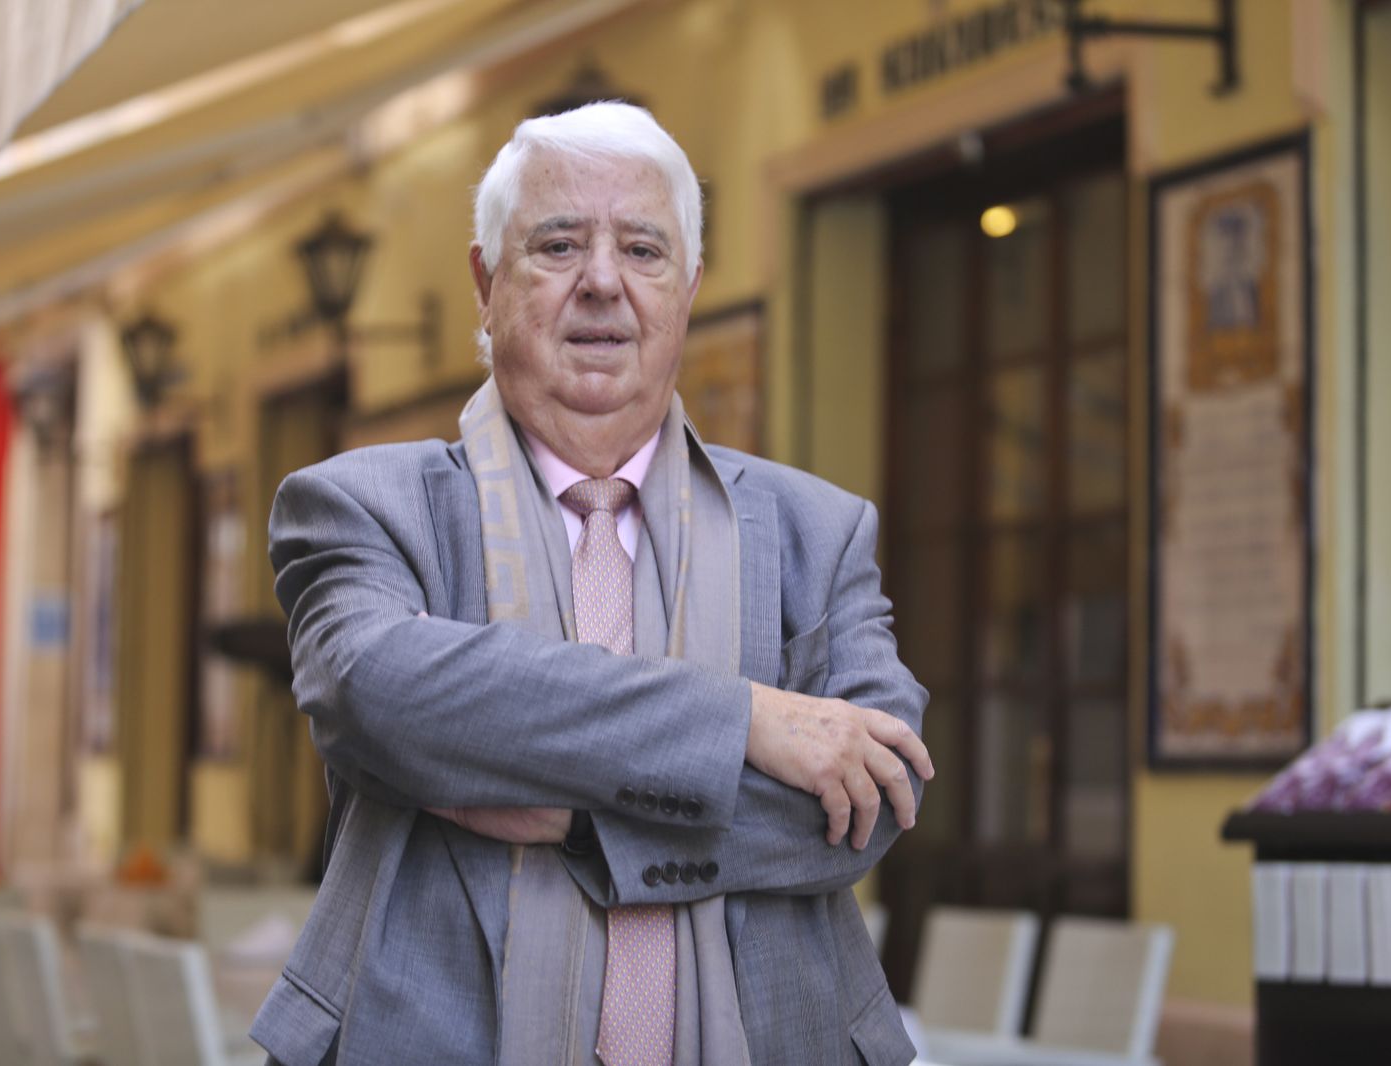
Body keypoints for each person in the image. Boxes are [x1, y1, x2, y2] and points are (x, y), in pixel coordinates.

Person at [252, 102, 932, 1066]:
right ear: (486, 279)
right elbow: (382, 693)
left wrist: (574, 820)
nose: (604, 283)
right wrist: (745, 724)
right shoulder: (362, 507)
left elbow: (877, 796)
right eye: (560, 244)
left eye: (644, 250)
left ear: (689, 285)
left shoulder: (817, 534)